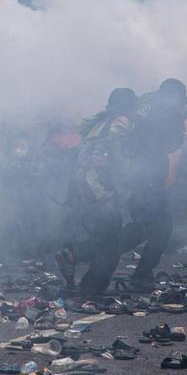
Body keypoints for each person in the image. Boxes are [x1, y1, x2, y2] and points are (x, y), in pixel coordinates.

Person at [56, 88, 137, 293]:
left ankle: (75, 258)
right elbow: (118, 161)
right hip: (99, 190)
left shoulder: (99, 122)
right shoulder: (119, 124)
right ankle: (92, 287)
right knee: (111, 244)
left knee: (105, 239)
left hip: (85, 188)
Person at [122, 78, 187, 289]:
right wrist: (168, 179)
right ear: (175, 96)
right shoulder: (172, 111)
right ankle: (141, 276)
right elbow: (173, 147)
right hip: (150, 178)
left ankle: (83, 253)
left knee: (142, 227)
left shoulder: (143, 102)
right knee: (161, 229)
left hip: (132, 173)